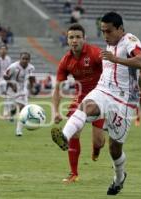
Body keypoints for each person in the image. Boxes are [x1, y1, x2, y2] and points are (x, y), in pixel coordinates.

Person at [51, 12, 141, 195]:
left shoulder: (130, 41)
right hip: (103, 90)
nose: (105, 36)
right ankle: (64, 136)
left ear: (120, 29)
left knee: (114, 148)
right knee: (85, 106)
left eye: (108, 31)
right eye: (102, 32)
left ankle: (119, 178)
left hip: (123, 101)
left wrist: (116, 59)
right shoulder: (108, 44)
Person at [52, 23, 105, 183]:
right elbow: (57, 89)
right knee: (74, 132)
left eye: (78, 37)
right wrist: (55, 111)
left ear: (84, 39)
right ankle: (73, 173)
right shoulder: (65, 61)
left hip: (101, 98)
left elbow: (111, 70)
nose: (74, 40)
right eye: (71, 37)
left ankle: (96, 149)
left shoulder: (95, 53)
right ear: (67, 40)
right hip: (81, 97)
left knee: (99, 142)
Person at [3, 52, 36, 136]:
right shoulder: (13, 66)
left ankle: (19, 130)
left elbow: (32, 78)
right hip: (12, 89)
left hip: (22, 90)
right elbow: (5, 76)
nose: (25, 60)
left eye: (27, 59)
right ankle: (12, 112)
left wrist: (32, 88)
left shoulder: (31, 68)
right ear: (20, 59)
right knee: (14, 106)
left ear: (29, 60)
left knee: (23, 109)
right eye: (23, 58)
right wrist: (11, 84)